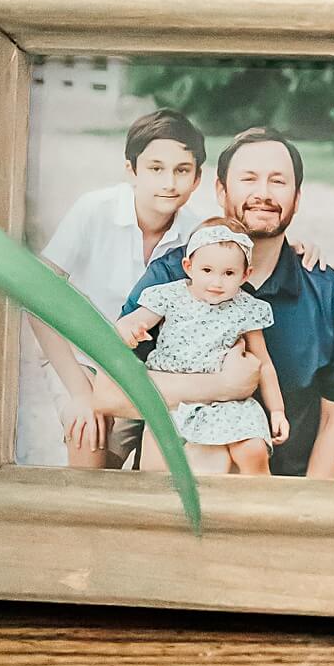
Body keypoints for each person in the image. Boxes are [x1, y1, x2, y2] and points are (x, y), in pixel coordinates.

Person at [94, 127, 334, 479]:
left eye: (278, 182)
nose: (263, 193)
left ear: (297, 197)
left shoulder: (326, 291)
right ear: (221, 189)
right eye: (248, 179)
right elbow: (108, 393)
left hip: (277, 497)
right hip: (177, 493)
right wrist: (222, 386)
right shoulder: (172, 275)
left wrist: (306, 514)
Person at [29, 108, 208, 469]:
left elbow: (241, 254)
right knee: (90, 437)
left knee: (166, 462)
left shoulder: (196, 234)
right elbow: (36, 298)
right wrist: (82, 394)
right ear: (132, 170)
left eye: (182, 170)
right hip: (82, 358)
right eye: (156, 168)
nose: (169, 182)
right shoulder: (95, 210)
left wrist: (300, 248)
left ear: (198, 178)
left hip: (151, 368)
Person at [118, 217, 288, 476]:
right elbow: (137, 318)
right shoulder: (171, 296)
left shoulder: (246, 308)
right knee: (158, 464)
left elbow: (263, 363)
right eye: (207, 271)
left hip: (228, 402)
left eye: (229, 273)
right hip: (176, 397)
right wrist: (130, 328)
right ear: (188, 266)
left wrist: (277, 410)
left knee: (252, 449)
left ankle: (260, 502)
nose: (217, 282)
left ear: (245, 275)